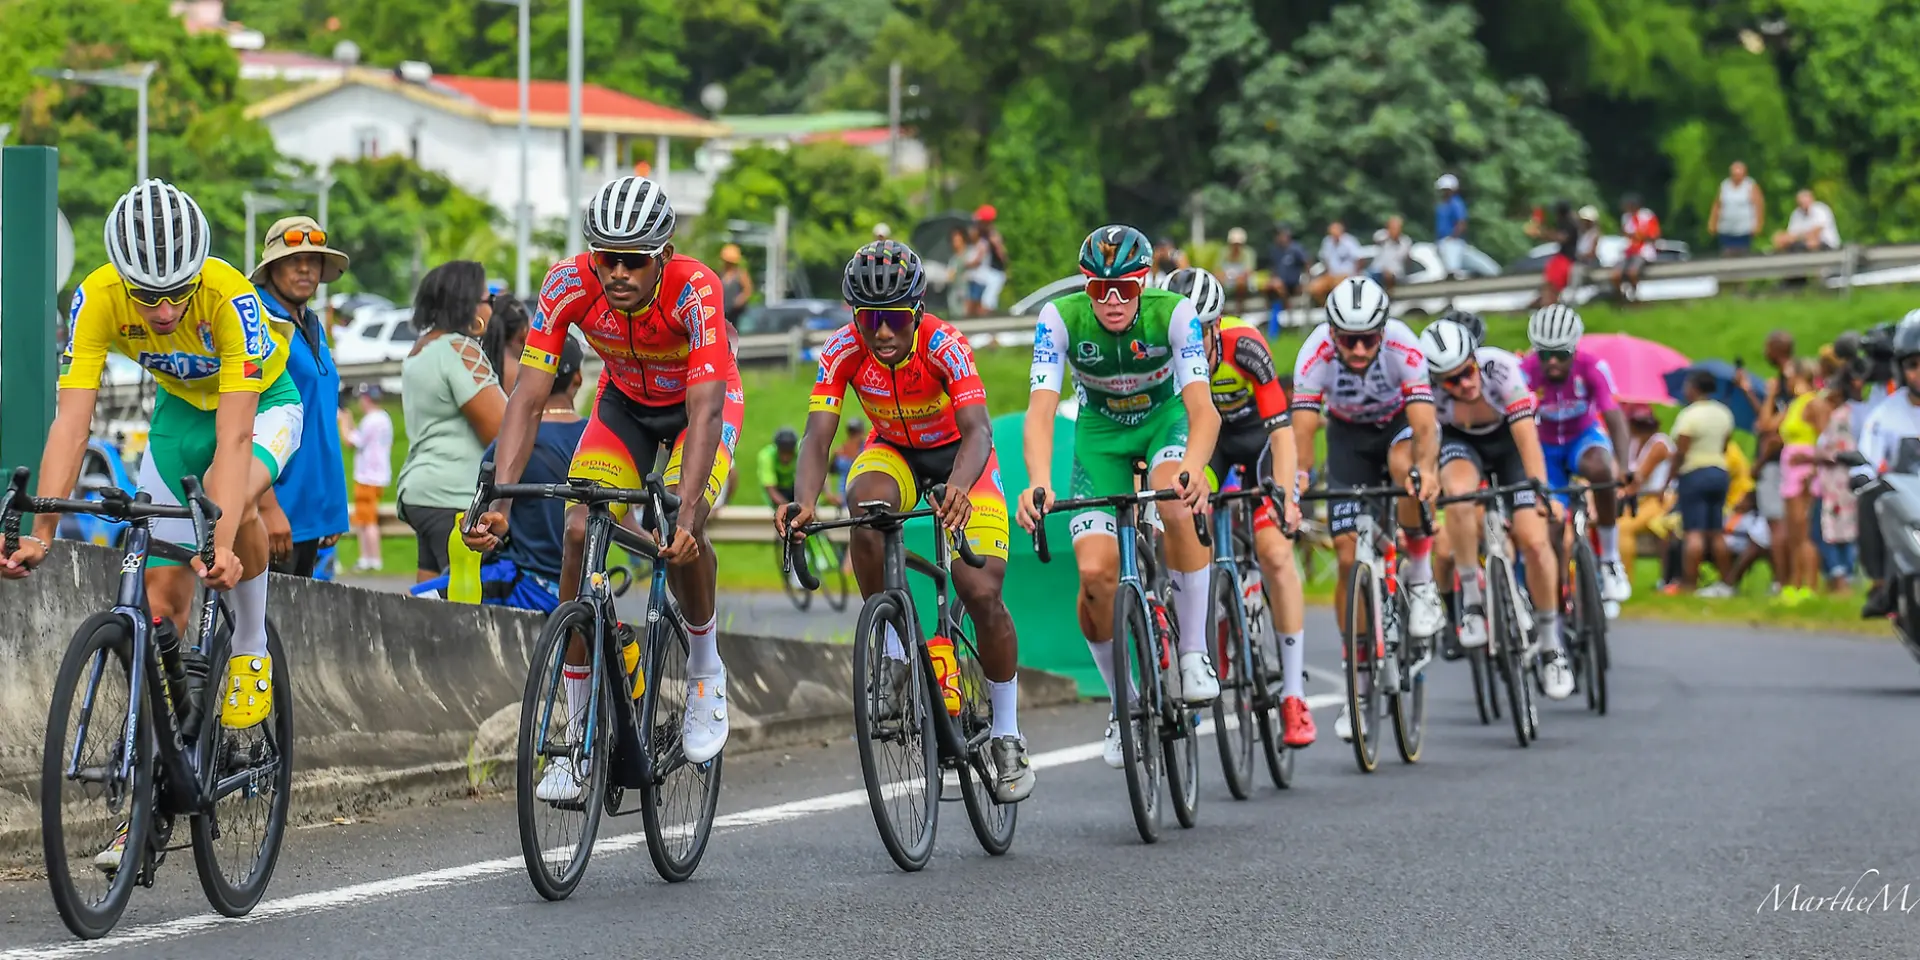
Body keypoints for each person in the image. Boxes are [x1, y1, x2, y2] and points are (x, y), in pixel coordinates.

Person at [4, 183, 298, 792]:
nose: (163, 312)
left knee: (232, 498)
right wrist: (43, 531)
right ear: (121, 279)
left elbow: (236, 438)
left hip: (261, 406)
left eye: (176, 294)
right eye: (147, 297)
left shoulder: (230, 297)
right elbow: (72, 420)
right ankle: (159, 767)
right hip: (177, 420)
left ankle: (249, 647)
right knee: (160, 600)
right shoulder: (98, 299)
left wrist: (217, 538)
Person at [466, 176, 744, 797]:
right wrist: (501, 500)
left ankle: (704, 671)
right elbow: (528, 400)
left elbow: (704, 416)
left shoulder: (696, 288)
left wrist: (687, 511)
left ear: (663, 255)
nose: (617, 272)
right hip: (624, 404)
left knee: (682, 528)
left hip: (702, 406)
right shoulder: (567, 283)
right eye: (605, 257)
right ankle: (577, 737)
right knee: (577, 527)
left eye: (633, 260)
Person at [781, 240, 1033, 801]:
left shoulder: (946, 343)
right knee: (865, 507)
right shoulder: (843, 348)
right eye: (869, 319)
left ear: (916, 311)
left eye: (894, 318)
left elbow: (978, 431)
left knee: (981, 590)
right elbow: (819, 434)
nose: (882, 332)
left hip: (959, 457)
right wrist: (803, 500)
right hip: (893, 449)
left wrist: (961, 491)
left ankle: (1009, 733)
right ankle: (896, 654)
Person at [1015, 224, 1221, 768]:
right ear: (1085, 286)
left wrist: (1196, 468)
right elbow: (1041, 411)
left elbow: (1202, 408)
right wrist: (1037, 479)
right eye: (1099, 289)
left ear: (1142, 283)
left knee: (1177, 499)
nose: (1111, 301)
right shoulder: (1059, 319)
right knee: (1095, 577)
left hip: (1164, 424)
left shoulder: (1174, 313)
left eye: (1124, 289)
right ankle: (1123, 705)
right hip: (1100, 440)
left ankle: (1194, 653)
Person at [1160, 267, 1315, 746]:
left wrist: (1286, 495)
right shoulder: (1163, 357)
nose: (1189, 342)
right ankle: (1199, 658)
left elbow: (1282, 432)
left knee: (1273, 551)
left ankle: (1292, 695)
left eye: (1199, 332)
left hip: (1256, 441)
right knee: (1183, 515)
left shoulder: (1245, 345)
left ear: (1216, 326)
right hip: (1206, 446)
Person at [1289, 275, 1441, 741]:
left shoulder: (1403, 345)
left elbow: (1425, 426)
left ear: (1383, 330)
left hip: (1397, 428)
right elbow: (1303, 433)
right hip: (1349, 437)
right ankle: (1356, 687)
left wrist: (1428, 470)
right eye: (1348, 341)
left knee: (1406, 469)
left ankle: (1419, 578)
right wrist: (1296, 488)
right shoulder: (1314, 353)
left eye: (1367, 340)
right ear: (1332, 334)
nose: (1357, 350)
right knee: (1346, 555)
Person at [1418, 319, 1570, 698]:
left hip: (1509, 445)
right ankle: (1471, 602)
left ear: (1475, 359)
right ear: (1437, 381)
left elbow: (1527, 438)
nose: (1465, 385)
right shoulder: (1425, 392)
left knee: (1534, 543)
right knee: (1458, 494)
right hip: (1461, 445)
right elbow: (1426, 446)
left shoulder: (1500, 370)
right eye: (1451, 382)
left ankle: (1552, 646)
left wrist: (1541, 490)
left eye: (1467, 373)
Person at [415, 337, 587, 612]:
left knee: (417, 600)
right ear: (577, 378)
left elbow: (481, 523)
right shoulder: (597, 442)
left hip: (527, 586)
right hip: (582, 590)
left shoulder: (507, 447)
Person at [252, 215, 350, 577]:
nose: (306, 268)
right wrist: (266, 506)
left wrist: (332, 507)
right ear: (273, 268)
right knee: (257, 629)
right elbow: (240, 418)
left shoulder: (311, 325)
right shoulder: (259, 322)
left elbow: (321, 418)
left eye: (314, 260)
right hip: (273, 515)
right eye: (294, 260)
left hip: (309, 516)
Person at [394, 261, 505, 582]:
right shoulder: (460, 350)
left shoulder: (422, 349)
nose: (492, 308)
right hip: (454, 497)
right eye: (489, 300)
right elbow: (501, 434)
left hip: (422, 493)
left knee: (427, 607)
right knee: (463, 612)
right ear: (467, 305)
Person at [1521, 304, 1634, 610]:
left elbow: (1614, 417)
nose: (1553, 362)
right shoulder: (1525, 372)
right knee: (1553, 525)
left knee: (1601, 470)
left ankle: (1610, 560)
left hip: (1582, 440)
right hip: (1545, 447)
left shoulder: (1592, 366)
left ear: (1575, 349)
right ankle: (1555, 595)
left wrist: (1623, 467)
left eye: (1561, 354)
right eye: (1545, 355)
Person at [1848, 311, 1920, 619]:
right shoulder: (1885, 415)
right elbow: (1867, 457)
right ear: (1901, 370)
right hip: (1907, 500)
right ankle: (1880, 585)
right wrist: (1863, 475)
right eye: (1913, 366)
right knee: (1870, 497)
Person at [1736, 330, 1796, 595]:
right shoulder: (1785, 381)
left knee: (1777, 524)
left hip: (1775, 462)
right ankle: (1783, 581)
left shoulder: (1789, 381)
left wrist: (1760, 461)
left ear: (1776, 348)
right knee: (1781, 524)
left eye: (1766, 346)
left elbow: (1769, 427)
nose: (1764, 352)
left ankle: (1783, 583)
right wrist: (1749, 392)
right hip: (1781, 462)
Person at [1672, 369, 1736, 594]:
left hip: (1695, 472)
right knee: (1716, 531)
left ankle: (1689, 583)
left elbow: (1681, 450)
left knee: (1694, 532)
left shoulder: (1689, 415)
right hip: (1719, 471)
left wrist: (1670, 477)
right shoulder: (1724, 413)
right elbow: (1725, 444)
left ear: (1695, 388)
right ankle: (1727, 582)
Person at [1776, 358, 1831, 606]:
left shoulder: (1814, 404)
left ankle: (1810, 584)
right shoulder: (1794, 405)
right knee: (1793, 533)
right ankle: (1794, 584)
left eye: (1789, 375)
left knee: (1805, 532)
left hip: (1806, 472)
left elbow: (1829, 444)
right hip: (1789, 473)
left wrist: (1811, 462)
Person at [1616, 403, 1676, 576]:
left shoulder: (1659, 444)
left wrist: (1621, 492)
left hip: (1659, 498)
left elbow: (1640, 477)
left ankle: (1624, 576)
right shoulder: (1634, 443)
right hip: (1639, 498)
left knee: (1623, 527)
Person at [344, 384, 393, 571]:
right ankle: (369, 557)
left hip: (368, 475)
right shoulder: (384, 418)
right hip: (379, 474)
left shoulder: (370, 420)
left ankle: (371, 558)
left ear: (366, 399)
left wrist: (344, 421)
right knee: (365, 519)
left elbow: (350, 441)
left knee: (367, 521)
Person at [1708, 161, 1764, 256]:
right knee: (1726, 255)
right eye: (1734, 174)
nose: (1737, 177)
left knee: (1744, 255)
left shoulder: (1750, 185)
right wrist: (1712, 222)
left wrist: (1758, 224)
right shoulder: (1725, 185)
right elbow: (1717, 205)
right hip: (1726, 229)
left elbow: (1758, 205)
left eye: (1739, 174)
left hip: (1744, 230)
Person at [1612, 194, 1661, 300]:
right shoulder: (1626, 218)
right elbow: (1625, 234)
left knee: (1632, 273)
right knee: (1616, 275)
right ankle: (1620, 298)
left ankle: (1634, 296)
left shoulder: (1647, 216)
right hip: (1629, 251)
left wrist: (1639, 236)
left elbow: (1654, 235)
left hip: (1643, 251)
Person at [1263, 223, 1311, 332]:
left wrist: (1306, 280)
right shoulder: (1275, 251)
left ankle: (1286, 306)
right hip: (1278, 285)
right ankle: (1278, 312)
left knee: (1277, 285)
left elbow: (1307, 263)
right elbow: (1273, 269)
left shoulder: (1295, 249)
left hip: (1293, 283)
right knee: (1271, 286)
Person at [1308, 220, 1362, 304]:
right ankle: (1325, 305)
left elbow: (1359, 258)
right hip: (1331, 275)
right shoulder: (1327, 242)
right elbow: (1324, 258)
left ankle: (1341, 306)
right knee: (1314, 287)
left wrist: (1356, 275)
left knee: (1338, 285)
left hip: (1347, 275)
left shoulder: (1349, 241)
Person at [970, 205, 1010, 314]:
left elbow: (1002, 255)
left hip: (996, 274)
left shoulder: (992, 236)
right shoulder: (985, 237)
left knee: (987, 303)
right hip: (989, 273)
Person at [1773, 189, 1840, 252]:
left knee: (1812, 243)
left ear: (1812, 200)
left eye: (1805, 202)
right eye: (1801, 203)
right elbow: (1790, 235)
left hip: (1827, 245)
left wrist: (1796, 237)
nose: (1803, 205)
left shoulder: (1821, 210)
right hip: (1805, 244)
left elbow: (1815, 233)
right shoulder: (1796, 214)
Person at [1434, 174, 1470, 277]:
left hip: (1451, 242)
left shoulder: (1456, 203)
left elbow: (1461, 223)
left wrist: (1452, 238)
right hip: (1442, 241)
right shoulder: (1442, 204)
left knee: (1453, 271)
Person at [1367, 216, 1413, 293]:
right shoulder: (1382, 236)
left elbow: (1406, 259)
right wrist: (1389, 236)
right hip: (1377, 271)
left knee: (1389, 275)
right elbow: (1377, 239)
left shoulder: (1405, 241)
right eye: (1393, 227)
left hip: (1396, 274)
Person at [1219, 227, 1257, 312]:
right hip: (1228, 281)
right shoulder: (1224, 252)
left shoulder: (1248, 253)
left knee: (1240, 283)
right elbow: (1218, 270)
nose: (1236, 246)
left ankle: (1239, 310)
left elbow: (1248, 271)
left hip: (1244, 282)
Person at [760, 427, 799, 508]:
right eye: (783, 452)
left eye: (789, 453)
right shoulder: (767, 456)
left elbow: (813, 476)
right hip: (778, 488)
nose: (786, 457)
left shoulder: (801, 452)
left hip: (795, 486)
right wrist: (786, 507)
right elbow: (770, 488)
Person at [719, 243, 754, 323]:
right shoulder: (720, 274)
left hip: (737, 313)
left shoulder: (741, 274)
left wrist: (740, 299)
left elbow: (748, 290)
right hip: (723, 311)